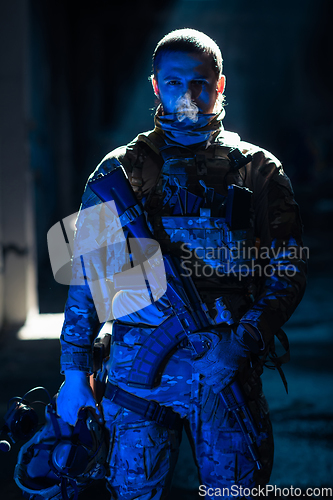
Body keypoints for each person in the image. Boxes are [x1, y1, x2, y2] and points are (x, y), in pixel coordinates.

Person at [56, 28, 307, 499]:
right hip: (136, 381)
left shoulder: (259, 171)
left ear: (220, 84)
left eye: (200, 83)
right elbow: (85, 279)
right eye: (174, 83)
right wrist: (73, 376)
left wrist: (244, 341)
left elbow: (289, 271)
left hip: (225, 374)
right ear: (155, 86)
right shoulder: (119, 173)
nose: (188, 95)